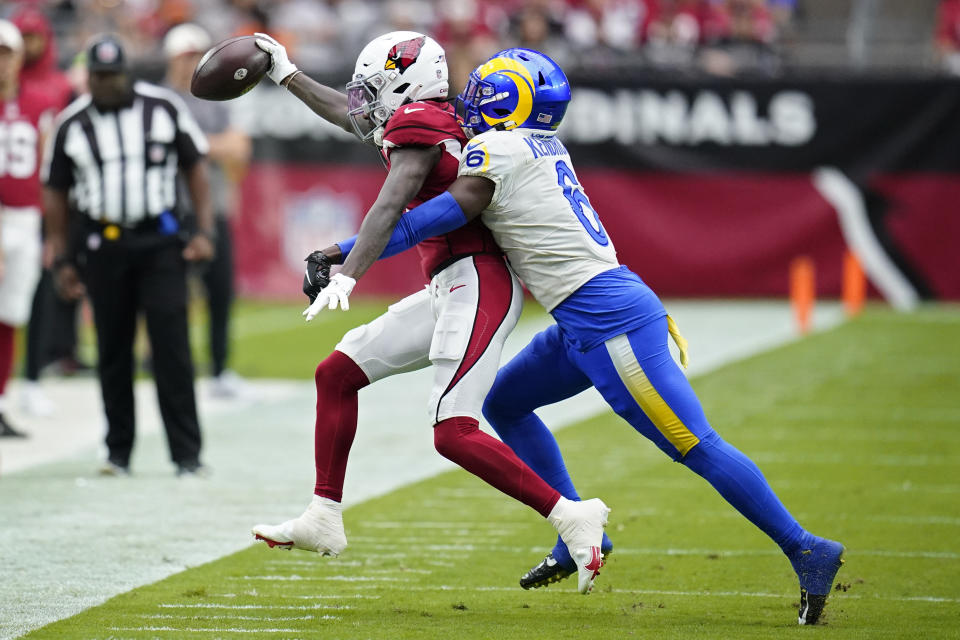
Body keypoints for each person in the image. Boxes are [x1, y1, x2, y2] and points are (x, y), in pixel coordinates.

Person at [305, 48, 846, 625]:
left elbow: (426, 219)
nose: (468, 100)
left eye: (480, 91)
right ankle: (574, 532)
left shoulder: (498, 150)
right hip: (581, 319)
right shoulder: (537, 143)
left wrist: (344, 254)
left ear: (502, 99)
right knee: (506, 403)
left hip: (609, 324)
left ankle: (806, 548)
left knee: (696, 446)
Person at [249, 31, 610, 594]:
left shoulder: (420, 125)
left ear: (407, 84)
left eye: (375, 89)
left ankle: (571, 515)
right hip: (450, 284)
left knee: (453, 429)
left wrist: (348, 269)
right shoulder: (424, 116)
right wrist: (284, 73)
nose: (363, 101)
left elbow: (392, 204)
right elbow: (348, 116)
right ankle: (323, 515)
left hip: (479, 281)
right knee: (336, 373)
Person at [41, 34, 215, 476]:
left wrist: (204, 230)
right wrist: (61, 257)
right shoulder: (72, 122)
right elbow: (56, 191)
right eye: (97, 77)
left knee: (171, 347)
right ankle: (118, 452)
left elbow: (195, 164)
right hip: (103, 245)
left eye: (112, 75)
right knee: (113, 348)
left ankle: (187, 455)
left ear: (126, 73)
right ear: (89, 78)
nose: (105, 84)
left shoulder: (162, 107)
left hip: (159, 242)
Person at [163, 23, 252, 397]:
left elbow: (239, 149)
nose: (189, 64)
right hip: (171, 210)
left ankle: (219, 369)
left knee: (220, 293)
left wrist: (196, 145)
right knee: (171, 295)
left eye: (194, 56)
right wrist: (212, 146)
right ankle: (171, 367)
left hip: (212, 209)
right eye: (184, 57)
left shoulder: (214, 98)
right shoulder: (162, 99)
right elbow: (171, 147)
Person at [12, 6, 85, 418]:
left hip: (47, 202)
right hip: (12, 201)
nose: (30, 46)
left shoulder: (60, 88)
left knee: (43, 287)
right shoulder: (8, 87)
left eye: (35, 37)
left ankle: (37, 373)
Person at [0, 20, 59, 438]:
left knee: (12, 312)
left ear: (19, 57)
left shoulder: (39, 103)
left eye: (6, 53)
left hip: (25, 217)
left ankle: (1, 401)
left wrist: (50, 231)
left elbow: (47, 171)